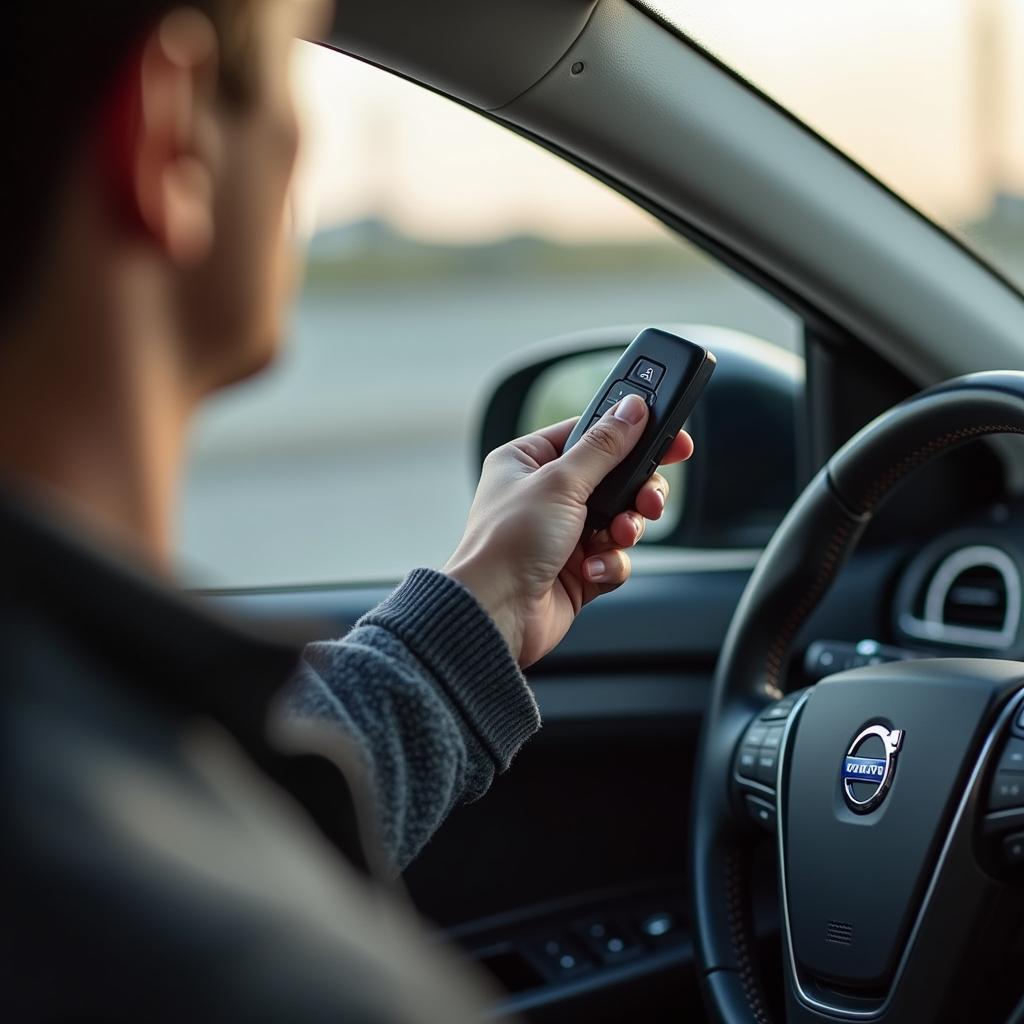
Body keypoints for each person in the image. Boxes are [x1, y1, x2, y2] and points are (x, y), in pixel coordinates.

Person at [2, 0, 694, 1020]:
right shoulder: (252, 976)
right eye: (289, 69)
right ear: (169, 128)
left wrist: (474, 617)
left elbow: (211, 807)